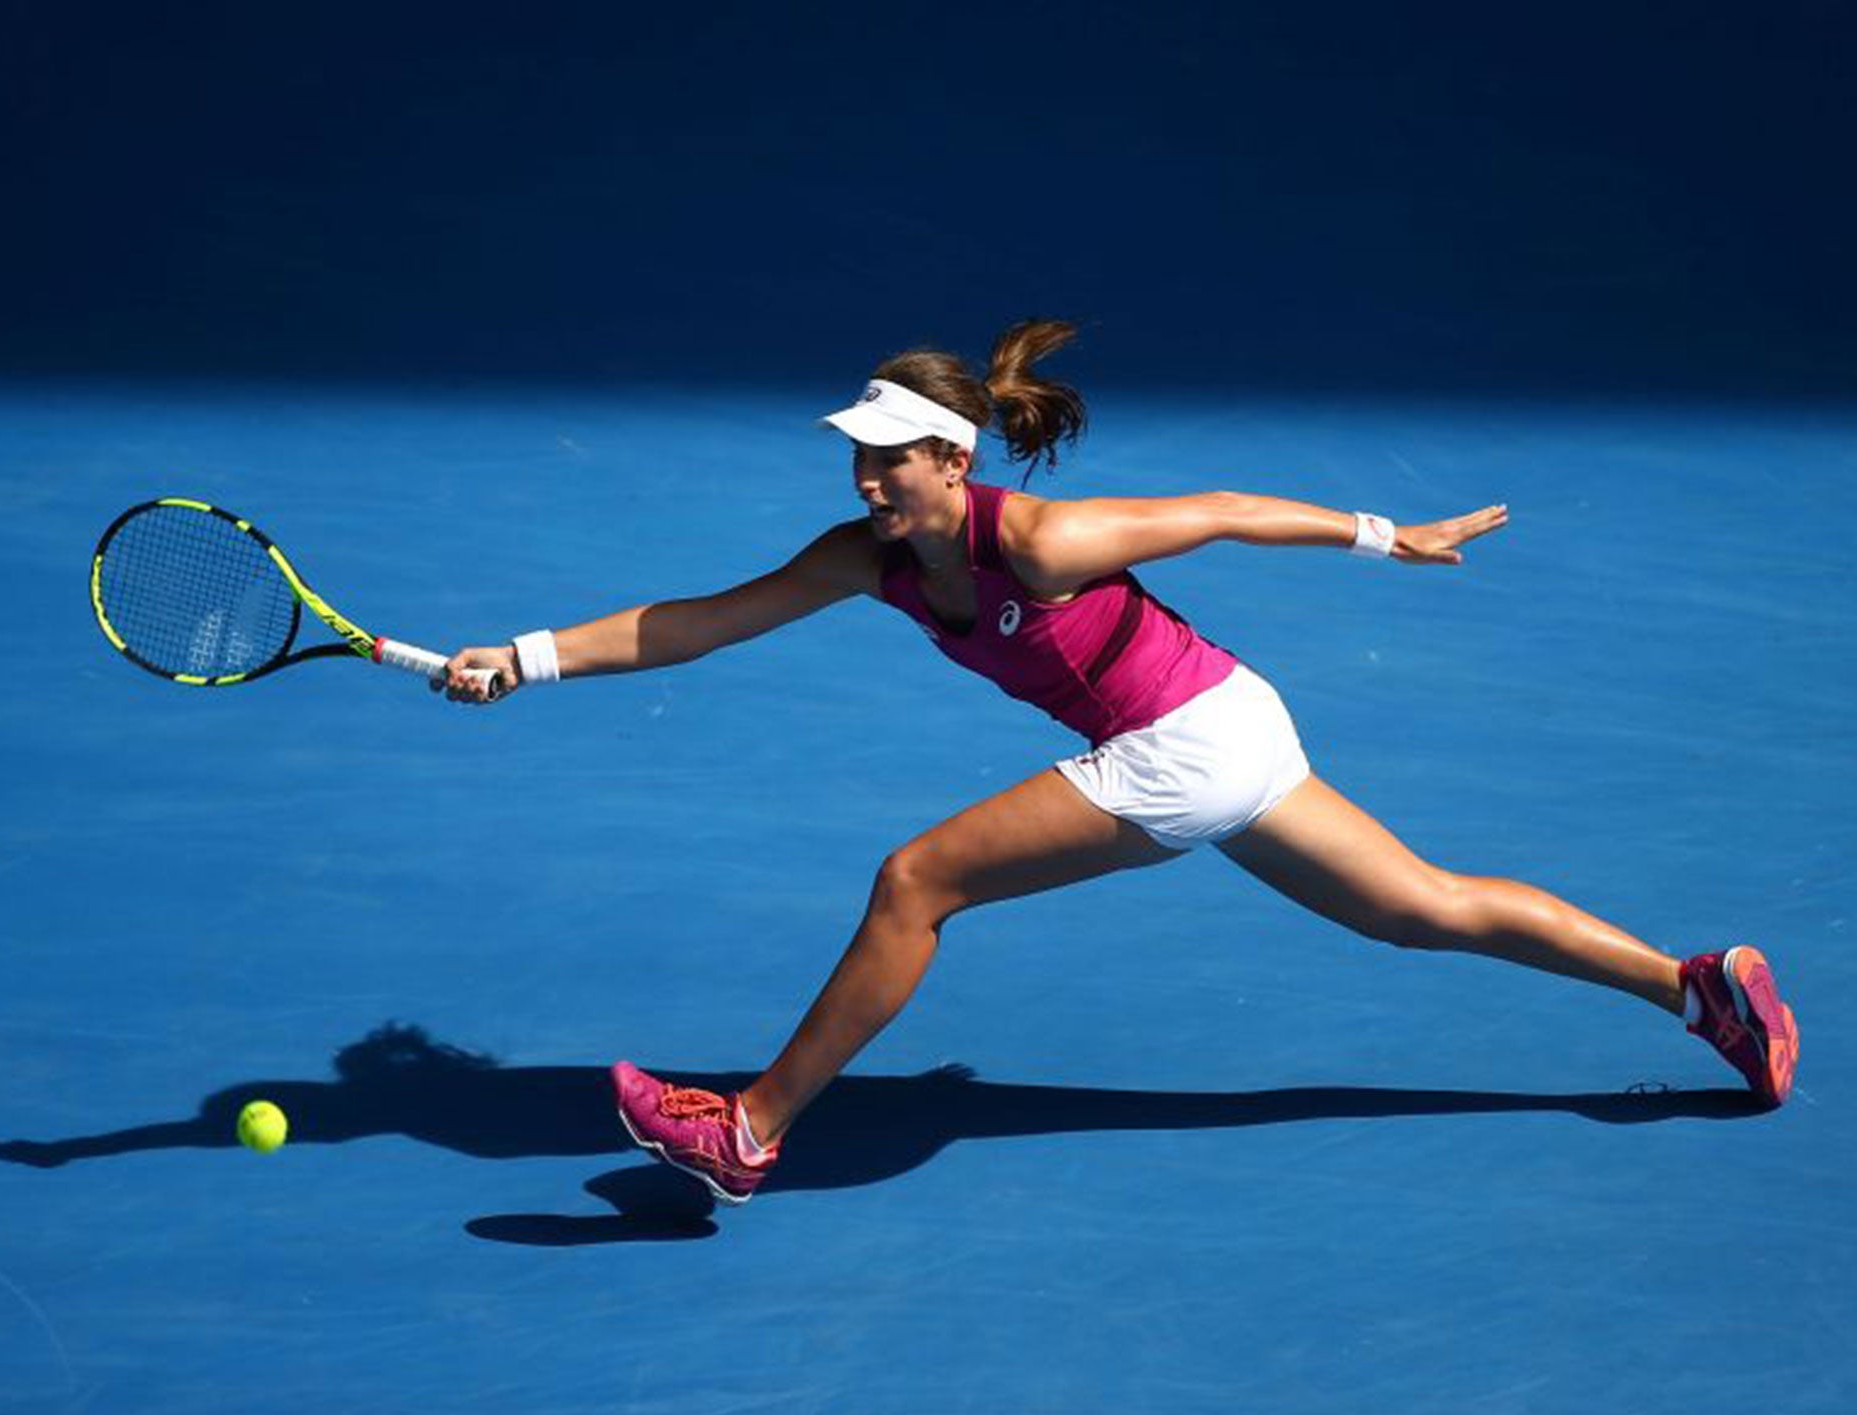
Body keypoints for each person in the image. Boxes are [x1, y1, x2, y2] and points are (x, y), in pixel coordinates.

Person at [440, 319, 1800, 1206]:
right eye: (854, 460)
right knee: (1422, 909)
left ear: (947, 456)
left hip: (1193, 739)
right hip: (1224, 724)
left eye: (884, 461)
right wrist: (526, 652)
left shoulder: (1035, 537)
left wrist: (1392, 535)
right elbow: (695, 625)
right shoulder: (861, 561)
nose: (861, 482)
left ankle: (748, 1131)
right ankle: (1700, 991)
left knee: (915, 881)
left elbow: (1213, 513)